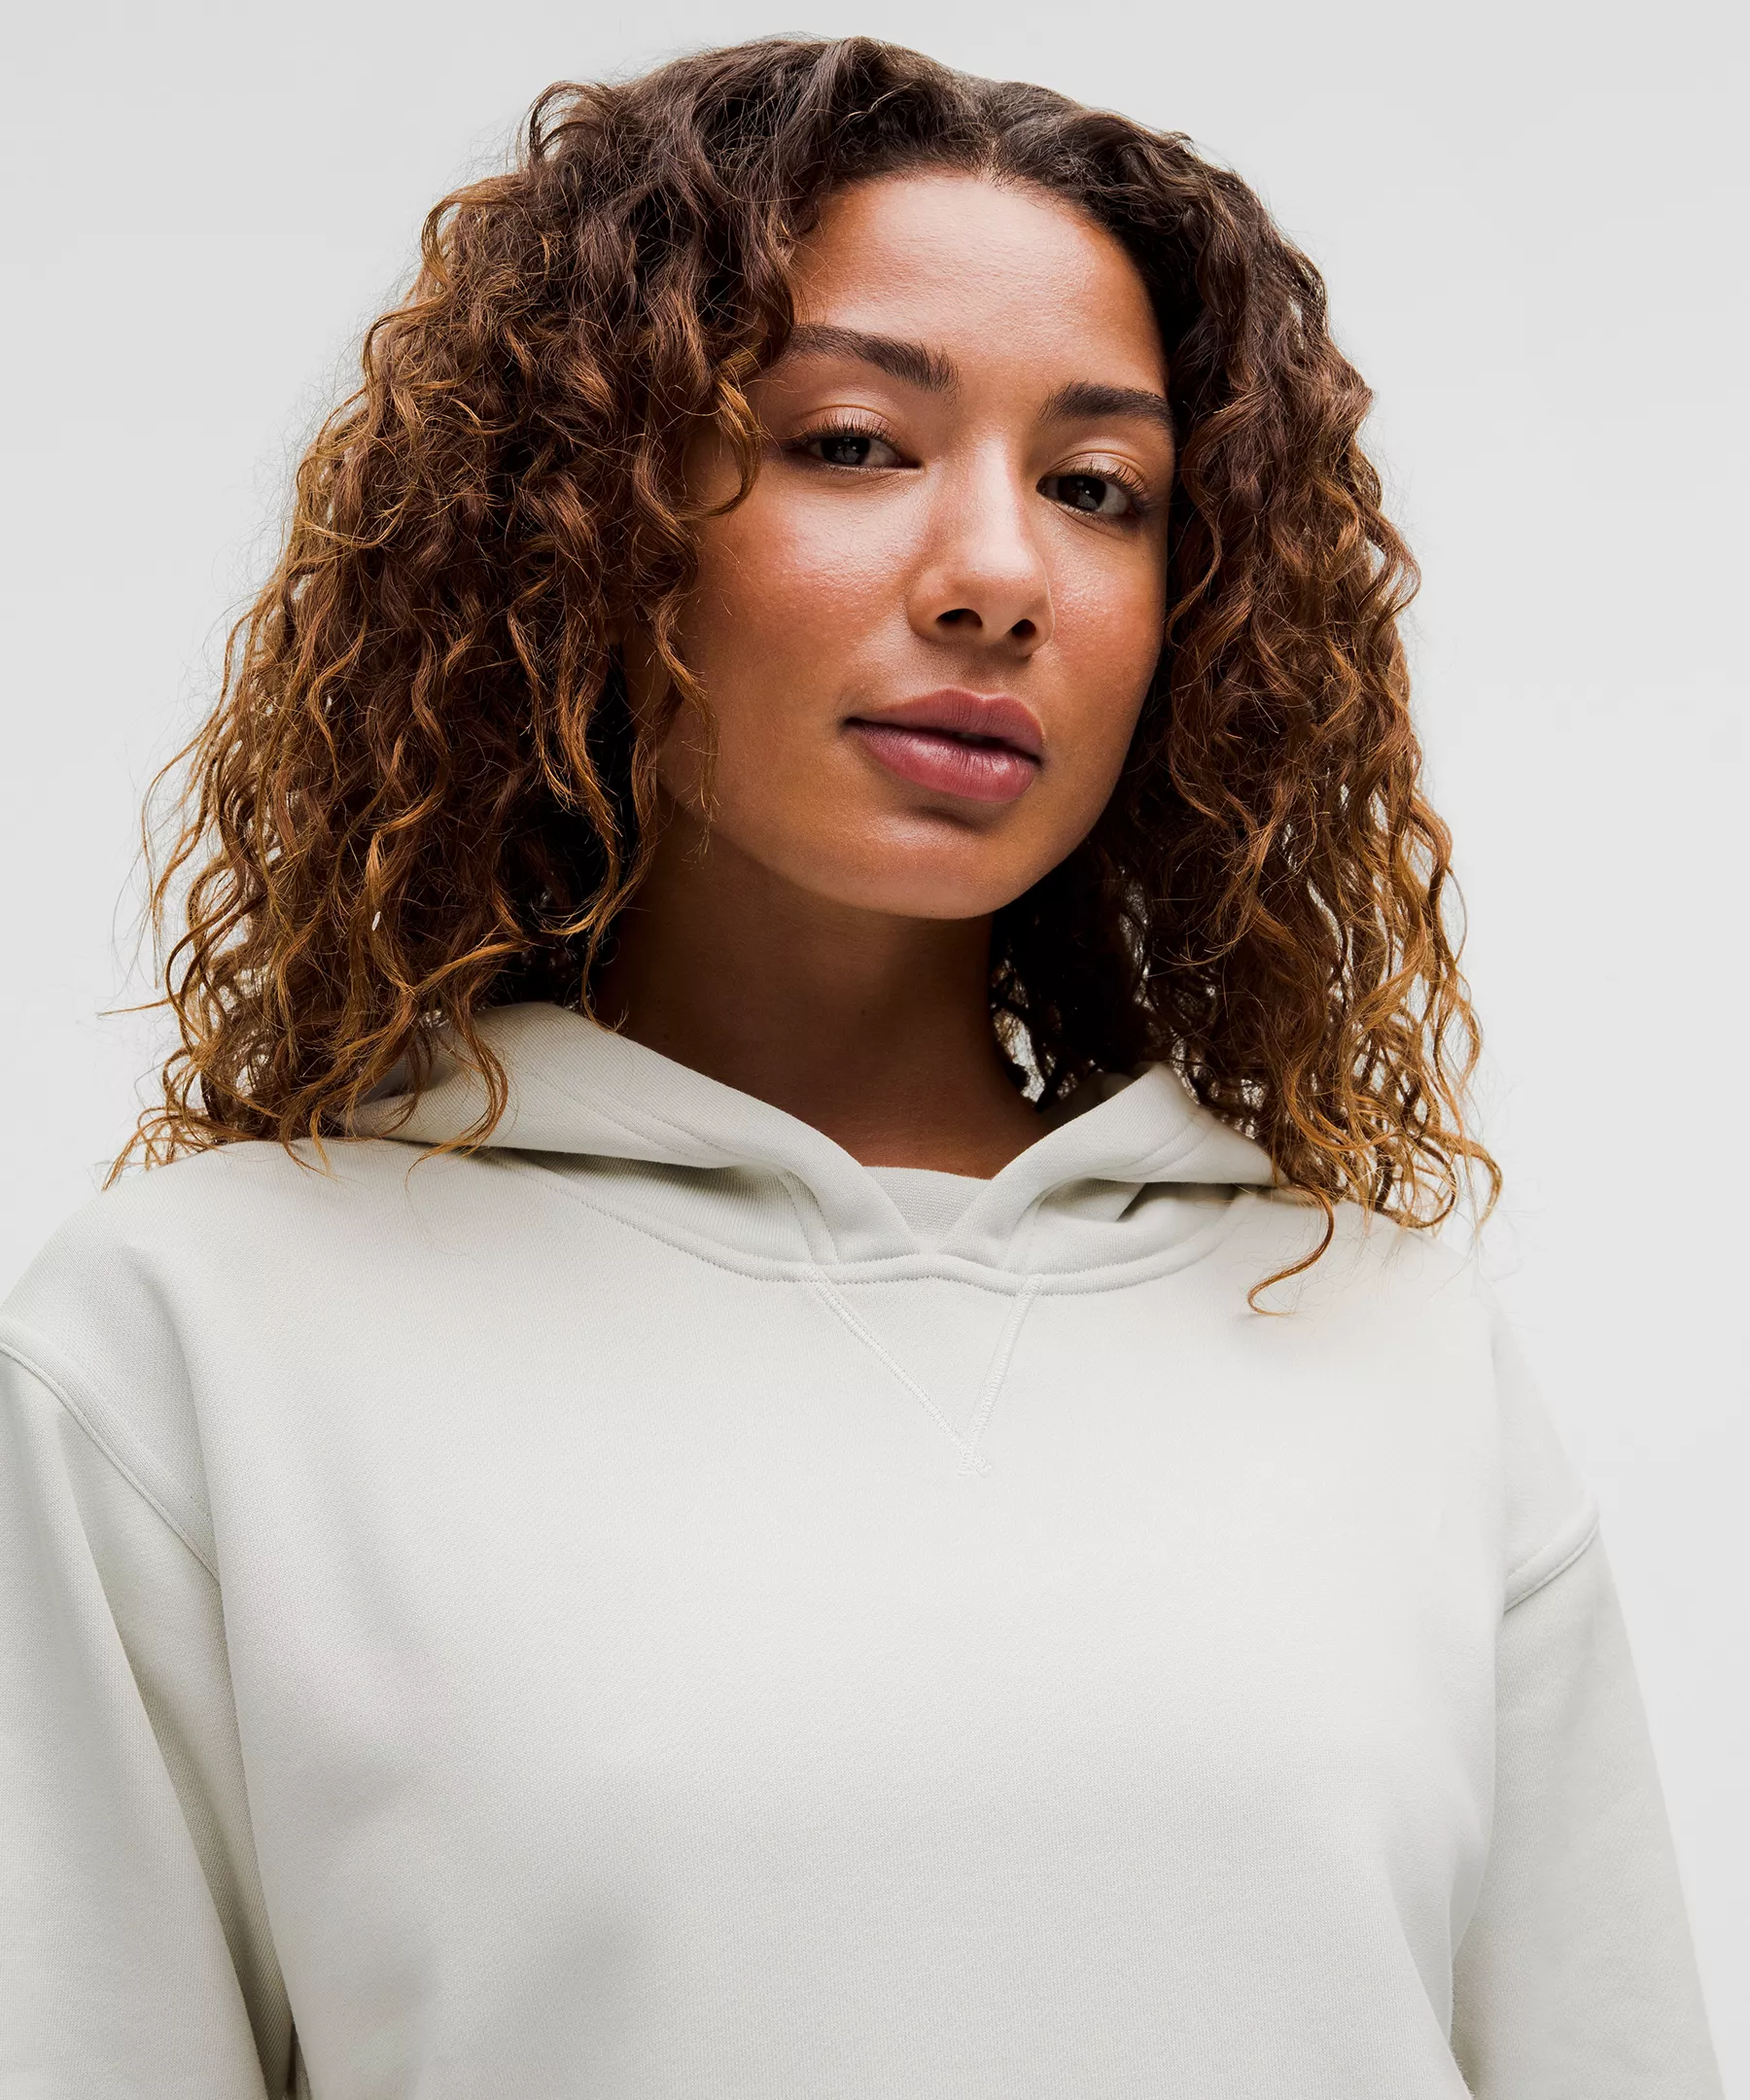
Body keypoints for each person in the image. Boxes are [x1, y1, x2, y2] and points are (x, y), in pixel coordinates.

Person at [0, 34, 1722, 2100]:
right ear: (584, 519)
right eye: (849, 442)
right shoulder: (196, 1344)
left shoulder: (1381, 1340)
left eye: (1100, 490)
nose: (998, 576)